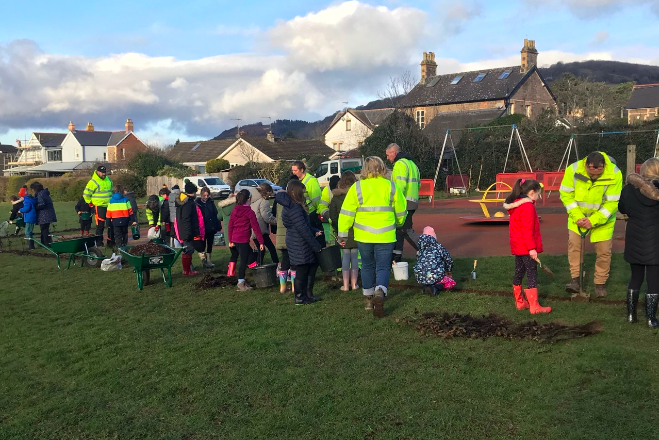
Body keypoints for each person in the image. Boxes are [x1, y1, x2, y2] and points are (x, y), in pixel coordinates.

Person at [338, 156, 407, 318]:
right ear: (383, 168)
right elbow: (401, 210)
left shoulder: (357, 187)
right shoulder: (391, 186)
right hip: (386, 234)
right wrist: (398, 222)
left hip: (363, 236)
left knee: (367, 265)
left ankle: (369, 299)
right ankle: (380, 291)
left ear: (365, 170)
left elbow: (346, 213)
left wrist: (342, 234)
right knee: (383, 266)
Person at [559, 151, 622, 298]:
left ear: (604, 166)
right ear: (586, 164)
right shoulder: (573, 170)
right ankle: (576, 280)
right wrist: (578, 217)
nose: (594, 176)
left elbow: (612, 202)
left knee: (604, 252)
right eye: (591, 173)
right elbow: (566, 195)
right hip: (578, 218)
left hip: (603, 221)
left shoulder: (614, 173)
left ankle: (600, 283)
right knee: (574, 248)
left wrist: (593, 220)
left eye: (598, 173)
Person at [618, 158, 659, 328]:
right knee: (654, 280)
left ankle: (630, 315)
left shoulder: (628, 189)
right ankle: (651, 318)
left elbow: (623, 209)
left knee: (635, 277)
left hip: (634, 236)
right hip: (656, 238)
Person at [503, 179, 551, 314]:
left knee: (519, 271)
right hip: (526, 247)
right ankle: (534, 306)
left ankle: (519, 302)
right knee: (532, 273)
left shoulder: (516, 205)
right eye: (538, 194)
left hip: (519, 246)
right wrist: (532, 248)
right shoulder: (527, 207)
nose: (538, 197)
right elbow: (527, 229)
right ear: (531, 192)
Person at [282, 180, 323, 305]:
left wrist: (314, 230)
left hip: (297, 240)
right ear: (296, 192)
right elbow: (303, 229)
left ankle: (305, 295)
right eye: (303, 193)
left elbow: (303, 225)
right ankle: (300, 297)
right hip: (299, 242)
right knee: (302, 270)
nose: (304, 195)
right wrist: (315, 245)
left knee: (307, 267)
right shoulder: (294, 208)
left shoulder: (291, 205)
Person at [386, 143, 420, 262]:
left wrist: (393, 201)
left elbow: (399, 186)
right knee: (399, 230)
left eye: (388, 155)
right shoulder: (412, 164)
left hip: (404, 201)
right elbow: (418, 183)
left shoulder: (400, 164)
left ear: (394, 153)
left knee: (406, 229)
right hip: (413, 200)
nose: (387, 157)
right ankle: (397, 257)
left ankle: (425, 250)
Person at [329, 171, 359, 291]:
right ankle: (354, 284)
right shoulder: (357, 196)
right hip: (356, 231)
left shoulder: (336, 198)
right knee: (355, 257)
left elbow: (333, 216)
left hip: (342, 231)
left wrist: (337, 229)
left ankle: (346, 285)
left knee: (345, 257)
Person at [228, 190, 264, 290]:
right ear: (248, 199)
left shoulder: (234, 211)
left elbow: (230, 226)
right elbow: (256, 228)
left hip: (235, 239)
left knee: (251, 256)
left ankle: (247, 276)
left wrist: (230, 240)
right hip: (243, 239)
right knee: (243, 261)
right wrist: (261, 242)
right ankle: (241, 282)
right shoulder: (249, 212)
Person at [274, 175, 299, 294]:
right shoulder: (294, 202)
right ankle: (294, 286)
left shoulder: (278, 200)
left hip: (281, 234)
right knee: (294, 261)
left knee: (284, 260)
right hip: (292, 234)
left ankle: (282, 287)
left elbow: (274, 214)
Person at [413, 227, 455, 296]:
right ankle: (435, 287)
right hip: (435, 275)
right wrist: (448, 270)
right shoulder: (438, 247)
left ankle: (426, 286)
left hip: (420, 275)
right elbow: (448, 260)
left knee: (427, 279)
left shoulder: (420, 249)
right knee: (450, 283)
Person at [175, 181, 205, 276]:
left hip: (184, 230)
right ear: (193, 192)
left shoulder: (182, 201)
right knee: (188, 250)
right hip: (187, 231)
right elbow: (186, 218)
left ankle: (187, 270)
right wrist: (188, 232)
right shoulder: (188, 203)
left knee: (188, 250)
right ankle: (187, 271)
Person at [291, 160, 324, 245]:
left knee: (318, 237)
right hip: (303, 213)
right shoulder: (296, 181)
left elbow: (316, 198)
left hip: (312, 212)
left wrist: (318, 212)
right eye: (292, 170)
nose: (293, 173)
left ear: (302, 170)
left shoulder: (311, 181)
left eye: (295, 170)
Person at [83, 165, 113, 247]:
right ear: (97, 172)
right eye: (102, 172)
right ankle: (99, 243)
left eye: (105, 172)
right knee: (100, 225)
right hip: (99, 206)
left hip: (110, 206)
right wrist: (91, 204)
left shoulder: (109, 180)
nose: (104, 174)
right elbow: (86, 195)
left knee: (111, 224)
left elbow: (111, 192)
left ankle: (111, 242)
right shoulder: (92, 182)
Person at [249, 183, 278, 265]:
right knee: (271, 248)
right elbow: (266, 217)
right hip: (260, 229)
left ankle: (258, 265)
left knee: (261, 249)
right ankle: (276, 265)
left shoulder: (252, 200)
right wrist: (277, 221)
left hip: (253, 229)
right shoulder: (263, 201)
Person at [196, 186, 222, 268]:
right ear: (201, 195)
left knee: (210, 244)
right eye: (204, 195)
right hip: (202, 228)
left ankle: (209, 261)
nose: (206, 197)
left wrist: (217, 226)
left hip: (211, 227)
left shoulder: (211, 202)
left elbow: (215, 214)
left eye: (207, 195)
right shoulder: (197, 203)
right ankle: (203, 261)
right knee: (202, 245)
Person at [30, 182, 57, 247]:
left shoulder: (41, 194)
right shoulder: (43, 193)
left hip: (44, 215)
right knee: (44, 229)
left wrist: (34, 208)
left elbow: (42, 204)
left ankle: (46, 243)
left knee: (44, 229)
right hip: (47, 214)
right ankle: (44, 243)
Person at [219, 193, 239, 276]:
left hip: (228, 234)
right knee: (243, 252)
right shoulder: (237, 206)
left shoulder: (223, 207)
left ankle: (230, 271)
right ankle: (253, 266)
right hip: (237, 233)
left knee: (234, 253)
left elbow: (219, 217)